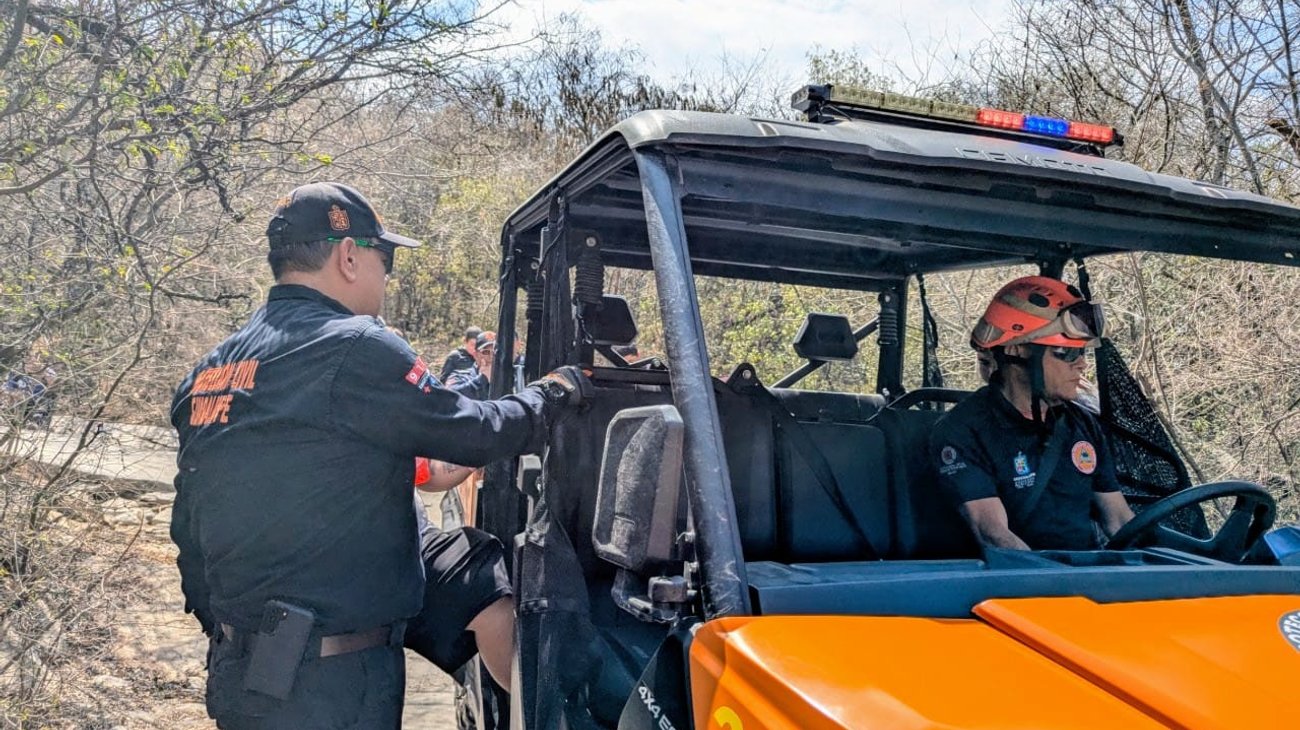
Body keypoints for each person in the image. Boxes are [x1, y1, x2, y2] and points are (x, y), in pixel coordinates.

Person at [169, 181, 589, 728]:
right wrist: (552, 394)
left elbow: (189, 526)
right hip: (330, 685)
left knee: (472, 563)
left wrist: (232, 630)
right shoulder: (355, 346)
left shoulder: (209, 370)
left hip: (242, 667)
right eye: (383, 259)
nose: (386, 276)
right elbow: (476, 433)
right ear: (348, 256)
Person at [931, 276, 1134, 551]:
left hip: (1086, 569)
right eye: (1066, 353)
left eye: (1082, 352)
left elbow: (1119, 520)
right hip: (1020, 575)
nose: (1081, 365)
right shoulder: (963, 431)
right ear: (1016, 350)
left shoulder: (1083, 424)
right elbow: (992, 534)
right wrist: (1056, 576)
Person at [445, 331, 495, 400]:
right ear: (476, 355)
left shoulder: (507, 378)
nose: (491, 356)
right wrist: (482, 379)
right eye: (486, 352)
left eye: (495, 352)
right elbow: (449, 396)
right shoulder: (460, 377)